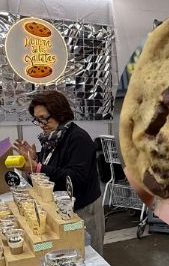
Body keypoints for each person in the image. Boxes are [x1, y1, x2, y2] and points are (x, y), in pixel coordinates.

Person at [14, 90, 105, 253]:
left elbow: (75, 177)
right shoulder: (54, 137)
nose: (41, 124)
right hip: (65, 206)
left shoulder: (78, 138)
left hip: (84, 208)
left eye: (44, 118)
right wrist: (36, 157)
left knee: (90, 254)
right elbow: (56, 163)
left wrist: (37, 168)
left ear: (60, 114)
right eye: (37, 120)